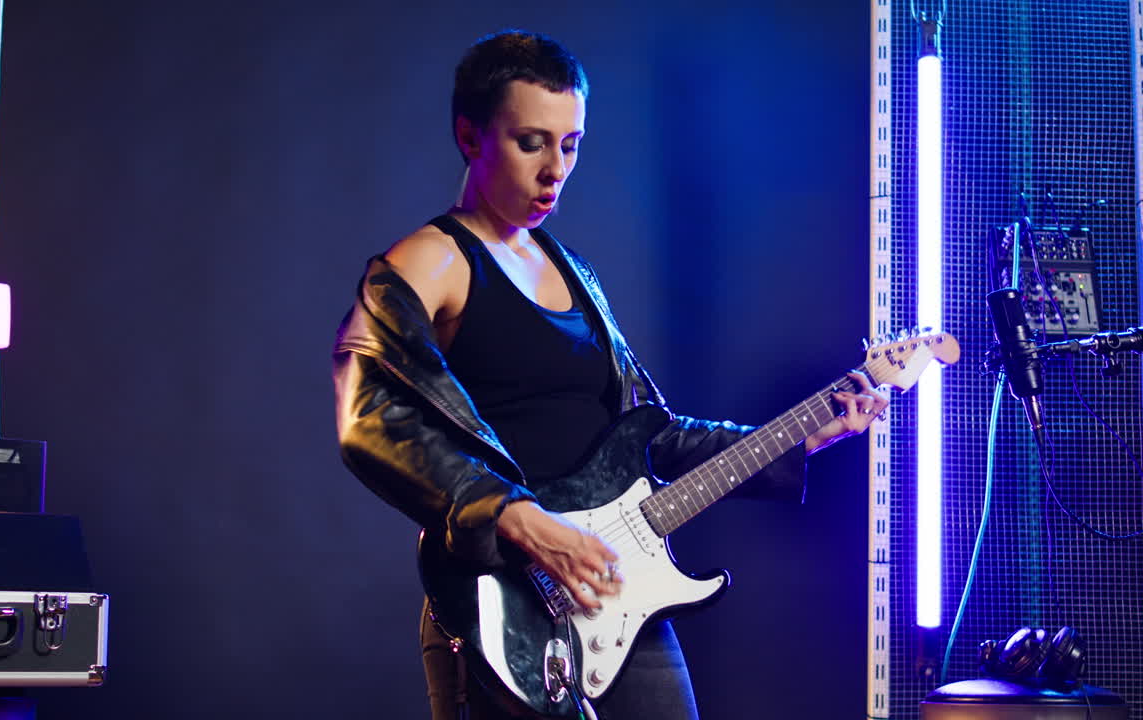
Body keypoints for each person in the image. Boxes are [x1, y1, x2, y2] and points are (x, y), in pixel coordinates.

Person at [333, 29, 887, 720]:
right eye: (531, 142)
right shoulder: (433, 260)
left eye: (571, 145)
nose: (555, 170)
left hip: (613, 591)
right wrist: (516, 518)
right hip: (502, 601)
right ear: (470, 136)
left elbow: (651, 437)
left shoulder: (575, 275)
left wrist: (804, 435)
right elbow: (370, 411)